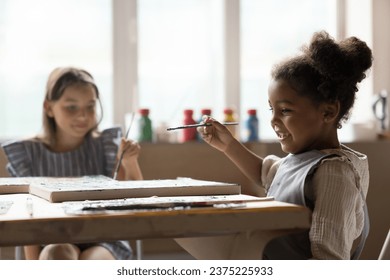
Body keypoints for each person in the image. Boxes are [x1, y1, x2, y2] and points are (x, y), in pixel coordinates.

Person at [197, 31, 373, 259]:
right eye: (272, 109)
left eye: (285, 110)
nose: (273, 120)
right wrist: (228, 145)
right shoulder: (304, 158)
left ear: (328, 111)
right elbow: (267, 174)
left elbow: (328, 258)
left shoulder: (334, 172)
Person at [2, 66, 143, 260]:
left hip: (105, 238)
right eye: (71, 107)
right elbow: (28, 218)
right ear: (49, 108)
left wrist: (130, 162)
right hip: (49, 239)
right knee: (57, 253)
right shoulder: (28, 154)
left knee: (94, 262)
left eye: (90, 106)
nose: (83, 116)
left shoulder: (106, 146)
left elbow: (135, 201)